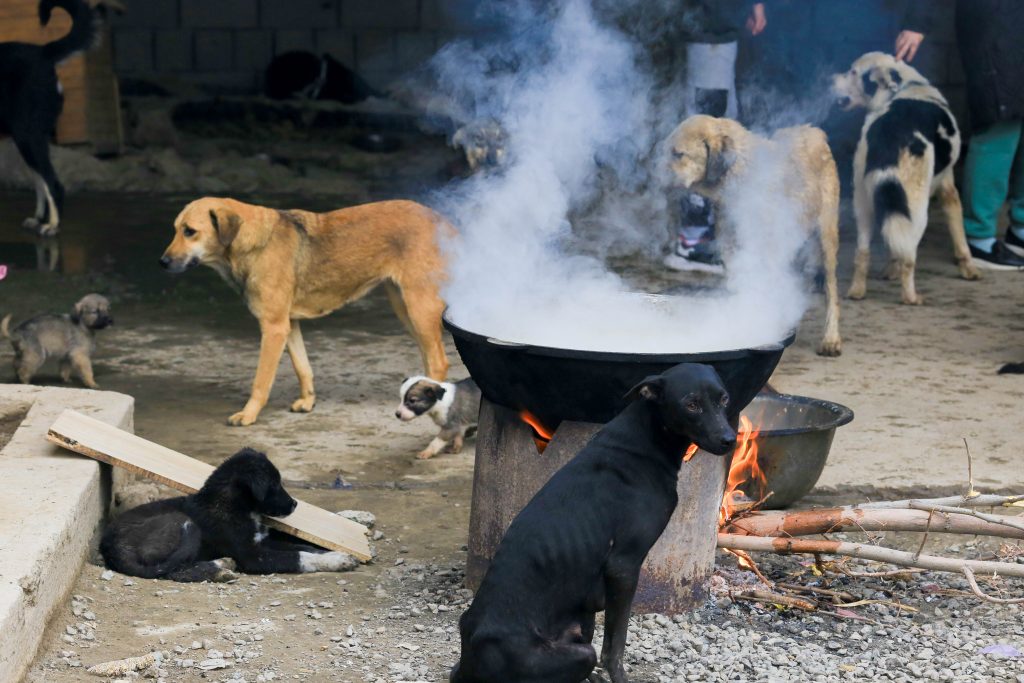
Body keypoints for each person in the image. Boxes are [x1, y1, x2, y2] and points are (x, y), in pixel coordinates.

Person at [899, 1, 1024, 270]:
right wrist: (917, 23)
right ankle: (979, 238)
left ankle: (1021, 230)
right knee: (999, 126)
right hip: (996, 23)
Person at [664, 1, 766, 272]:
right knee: (706, 133)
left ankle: (704, 239)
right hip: (711, 28)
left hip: (719, 27)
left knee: (719, 126)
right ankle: (693, 244)